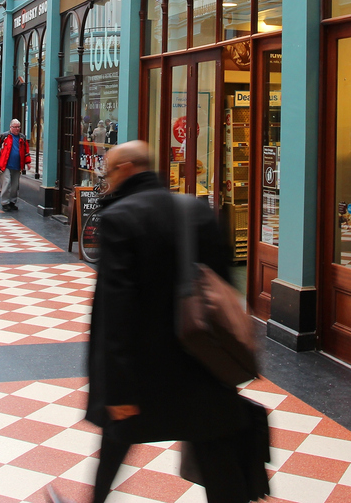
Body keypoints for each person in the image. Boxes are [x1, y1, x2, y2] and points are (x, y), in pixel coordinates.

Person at [46, 141, 253, 503]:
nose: (105, 180)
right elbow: (224, 292)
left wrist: (118, 390)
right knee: (217, 460)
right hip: (201, 364)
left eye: (108, 171)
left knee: (114, 447)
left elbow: (116, 313)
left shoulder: (120, 218)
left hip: (143, 371)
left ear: (126, 168)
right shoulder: (197, 211)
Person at [0, 119, 31, 212]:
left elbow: (26, 151)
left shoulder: (22, 137)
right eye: (15, 127)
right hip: (5, 165)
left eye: (18, 127)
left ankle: (12, 202)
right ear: (11, 127)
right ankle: (5, 202)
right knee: (6, 182)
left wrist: (28, 162)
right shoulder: (4, 136)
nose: (17, 129)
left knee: (15, 185)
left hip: (17, 165)